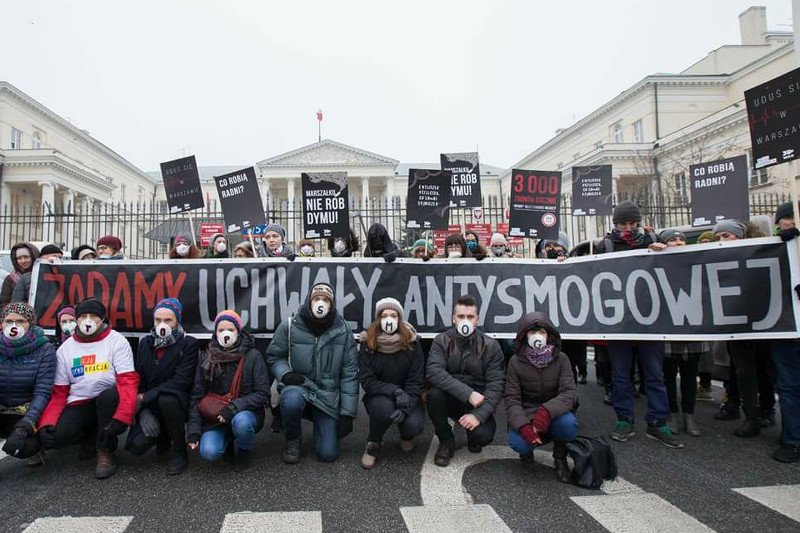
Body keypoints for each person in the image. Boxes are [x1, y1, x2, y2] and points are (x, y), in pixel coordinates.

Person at [599, 201, 681, 448]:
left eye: (632, 223)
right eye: (623, 224)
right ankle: (624, 419)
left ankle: (658, 421)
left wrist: (662, 252)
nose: (628, 228)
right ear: (615, 224)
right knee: (621, 376)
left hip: (650, 320)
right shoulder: (606, 245)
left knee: (655, 375)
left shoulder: (653, 240)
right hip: (619, 321)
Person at [37, 298, 139, 479]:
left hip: (109, 401)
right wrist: (48, 423)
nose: (88, 320)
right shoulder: (65, 349)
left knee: (108, 397)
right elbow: (59, 392)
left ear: (102, 319)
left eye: (93, 316)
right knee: (57, 437)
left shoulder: (117, 341)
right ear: (77, 319)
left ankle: (105, 449)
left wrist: (124, 416)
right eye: (83, 316)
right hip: (80, 401)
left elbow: (127, 382)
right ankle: (89, 436)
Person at [267, 283, 359, 464]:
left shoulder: (344, 329)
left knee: (327, 454)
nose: (321, 303)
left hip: (327, 395)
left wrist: (348, 412)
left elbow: (349, 372)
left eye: (326, 299)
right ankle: (293, 439)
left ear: (332, 304)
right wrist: (285, 374)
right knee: (291, 401)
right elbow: (274, 356)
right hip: (299, 386)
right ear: (309, 301)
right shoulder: (290, 326)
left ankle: (323, 427)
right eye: (317, 299)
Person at [426, 295, 505, 466]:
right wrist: (468, 393)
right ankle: (446, 440)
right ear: (453, 319)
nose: (465, 320)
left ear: (477, 320)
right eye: (461, 316)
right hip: (454, 398)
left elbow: (496, 385)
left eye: (470, 317)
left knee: (483, 436)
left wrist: (479, 415)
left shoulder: (491, 346)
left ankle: (473, 434)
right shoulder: (442, 340)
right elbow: (434, 371)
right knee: (434, 395)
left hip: (478, 403)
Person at [713, 219, 775, 438]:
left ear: (741, 237)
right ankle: (751, 417)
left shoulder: (759, 253)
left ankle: (768, 409)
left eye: (726, 236)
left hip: (762, 323)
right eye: (718, 237)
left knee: (765, 369)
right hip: (735, 324)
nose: (721, 241)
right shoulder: (715, 258)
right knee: (743, 370)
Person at [187, 310, 269, 472]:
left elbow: (262, 393)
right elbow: (197, 396)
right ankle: (227, 440)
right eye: (221, 330)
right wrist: (194, 431)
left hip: (245, 413)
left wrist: (233, 408)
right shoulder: (206, 357)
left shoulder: (252, 356)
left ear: (238, 332)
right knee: (209, 452)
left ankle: (244, 451)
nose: (226, 334)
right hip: (214, 418)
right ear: (215, 332)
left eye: (230, 330)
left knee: (242, 423)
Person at [126, 298, 199, 475]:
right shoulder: (145, 343)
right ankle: (163, 436)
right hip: (150, 404)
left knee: (168, 399)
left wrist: (146, 397)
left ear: (177, 321)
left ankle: (179, 450)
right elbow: (140, 379)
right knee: (136, 447)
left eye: (168, 320)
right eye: (158, 320)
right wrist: (143, 411)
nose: (162, 324)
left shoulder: (188, 343)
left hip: (176, 401)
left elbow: (181, 381)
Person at [504, 312, 577, 482]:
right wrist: (524, 426)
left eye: (542, 332)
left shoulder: (562, 359)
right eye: (532, 332)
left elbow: (569, 392)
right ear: (525, 335)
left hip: (553, 413)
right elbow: (511, 399)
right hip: (527, 413)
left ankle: (560, 457)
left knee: (568, 424)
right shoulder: (515, 361)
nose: (537, 336)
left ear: (549, 335)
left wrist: (546, 412)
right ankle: (528, 449)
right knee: (519, 444)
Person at [358, 298, 425, 469]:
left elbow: (415, 379)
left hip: (408, 395)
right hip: (380, 396)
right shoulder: (367, 343)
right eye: (384, 315)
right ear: (378, 319)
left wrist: (406, 405)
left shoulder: (413, 343)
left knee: (414, 425)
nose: (389, 319)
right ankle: (373, 443)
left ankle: (406, 435)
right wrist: (394, 390)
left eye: (393, 315)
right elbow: (367, 381)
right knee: (383, 409)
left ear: (399, 319)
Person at [658, 229, 704, 437]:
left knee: (689, 375)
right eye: (672, 240)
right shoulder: (657, 261)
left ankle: (689, 414)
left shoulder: (697, 259)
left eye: (681, 239)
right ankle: (672, 413)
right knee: (668, 375)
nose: (678, 242)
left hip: (691, 328)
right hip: (669, 330)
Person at [0, 302, 56, 461]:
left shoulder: (45, 349)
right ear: (2, 323)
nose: (13, 326)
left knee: (26, 446)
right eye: (9, 321)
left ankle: (36, 445)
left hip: (27, 412)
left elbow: (43, 392)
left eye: (20, 321)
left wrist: (25, 425)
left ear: (30, 324)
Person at [769, 201, 800, 462]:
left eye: (793, 217)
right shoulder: (771, 248)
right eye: (785, 218)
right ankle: (792, 439)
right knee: (789, 386)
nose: (789, 222)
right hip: (785, 330)